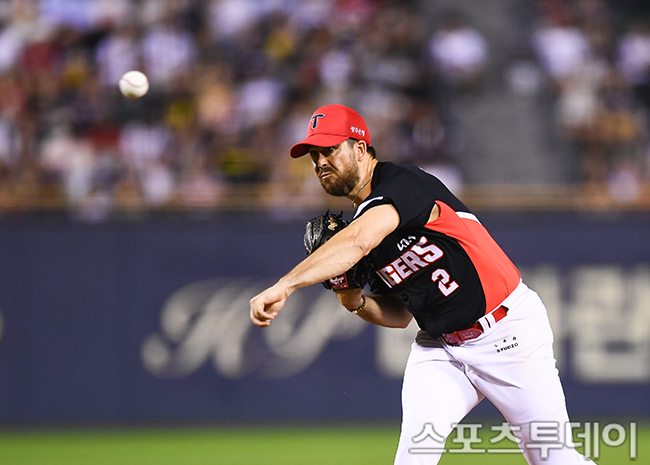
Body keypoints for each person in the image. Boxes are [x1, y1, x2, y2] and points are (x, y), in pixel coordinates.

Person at [249, 104, 594, 465]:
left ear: (360, 149)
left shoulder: (402, 183)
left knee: (554, 459)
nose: (320, 161)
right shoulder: (363, 223)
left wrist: (285, 285)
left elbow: (358, 241)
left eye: (330, 149)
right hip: (440, 348)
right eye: (314, 155)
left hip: (506, 332)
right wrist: (353, 301)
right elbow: (400, 315)